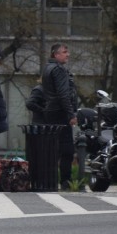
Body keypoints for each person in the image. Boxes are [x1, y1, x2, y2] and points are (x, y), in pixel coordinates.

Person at [42, 43, 78, 190]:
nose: (67, 54)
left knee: (54, 149)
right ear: (55, 55)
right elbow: (63, 95)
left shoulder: (47, 68)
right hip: (60, 113)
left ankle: (49, 180)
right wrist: (71, 114)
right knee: (67, 150)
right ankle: (66, 181)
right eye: (64, 52)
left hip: (51, 112)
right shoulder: (58, 69)